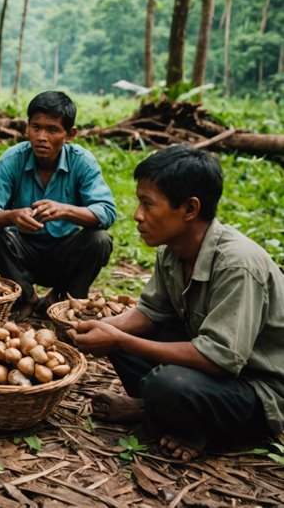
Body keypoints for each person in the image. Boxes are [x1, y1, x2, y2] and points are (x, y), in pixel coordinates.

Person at [70, 145, 284, 461]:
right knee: (127, 347)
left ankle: (195, 427)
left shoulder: (238, 265)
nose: (137, 215)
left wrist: (121, 340)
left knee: (167, 384)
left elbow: (219, 359)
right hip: (215, 371)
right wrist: (98, 329)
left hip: (258, 388)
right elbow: (151, 313)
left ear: (189, 209)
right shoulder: (171, 251)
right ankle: (154, 409)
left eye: (148, 204)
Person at [0, 91, 116, 318]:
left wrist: (66, 210)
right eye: (36, 127)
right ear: (27, 128)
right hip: (23, 251)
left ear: (70, 134)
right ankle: (27, 296)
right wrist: (12, 216)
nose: (42, 137)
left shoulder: (82, 161)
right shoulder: (12, 159)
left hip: (65, 253)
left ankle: (64, 298)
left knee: (99, 240)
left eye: (52, 130)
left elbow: (107, 212)